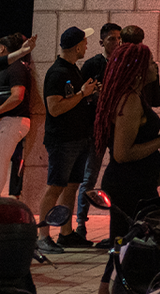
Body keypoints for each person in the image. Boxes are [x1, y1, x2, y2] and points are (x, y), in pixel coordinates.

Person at [92, 43, 160, 294]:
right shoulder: (130, 100)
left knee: (126, 247)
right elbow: (123, 154)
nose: (155, 66)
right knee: (126, 246)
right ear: (137, 69)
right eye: (151, 62)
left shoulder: (133, 96)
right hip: (128, 185)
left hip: (137, 183)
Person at [38, 26, 97, 254]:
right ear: (77, 46)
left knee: (71, 187)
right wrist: (83, 94)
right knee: (55, 187)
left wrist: (88, 92)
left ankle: (66, 234)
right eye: (85, 42)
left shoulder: (73, 69)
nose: (87, 46)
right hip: (62, 141)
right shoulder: (57, 72)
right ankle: (43, 236)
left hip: (78, 138)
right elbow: (54, 108)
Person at [76, 22, 120, 240]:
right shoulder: (93, 65)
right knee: (89, 175)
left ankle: (117, 223)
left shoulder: (123, 63)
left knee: (116, 174)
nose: (117, 43)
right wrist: (94, 95)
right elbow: (79, 96)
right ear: (102, 42)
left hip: (117, 127)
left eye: (119, 39)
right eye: (112, 39)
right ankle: (80, 224)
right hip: (96, 127)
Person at [0, 35, 35, 197]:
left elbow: (17, 96)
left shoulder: (16, 68)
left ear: (2, 48)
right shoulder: (8, 67)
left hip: (12, 120)